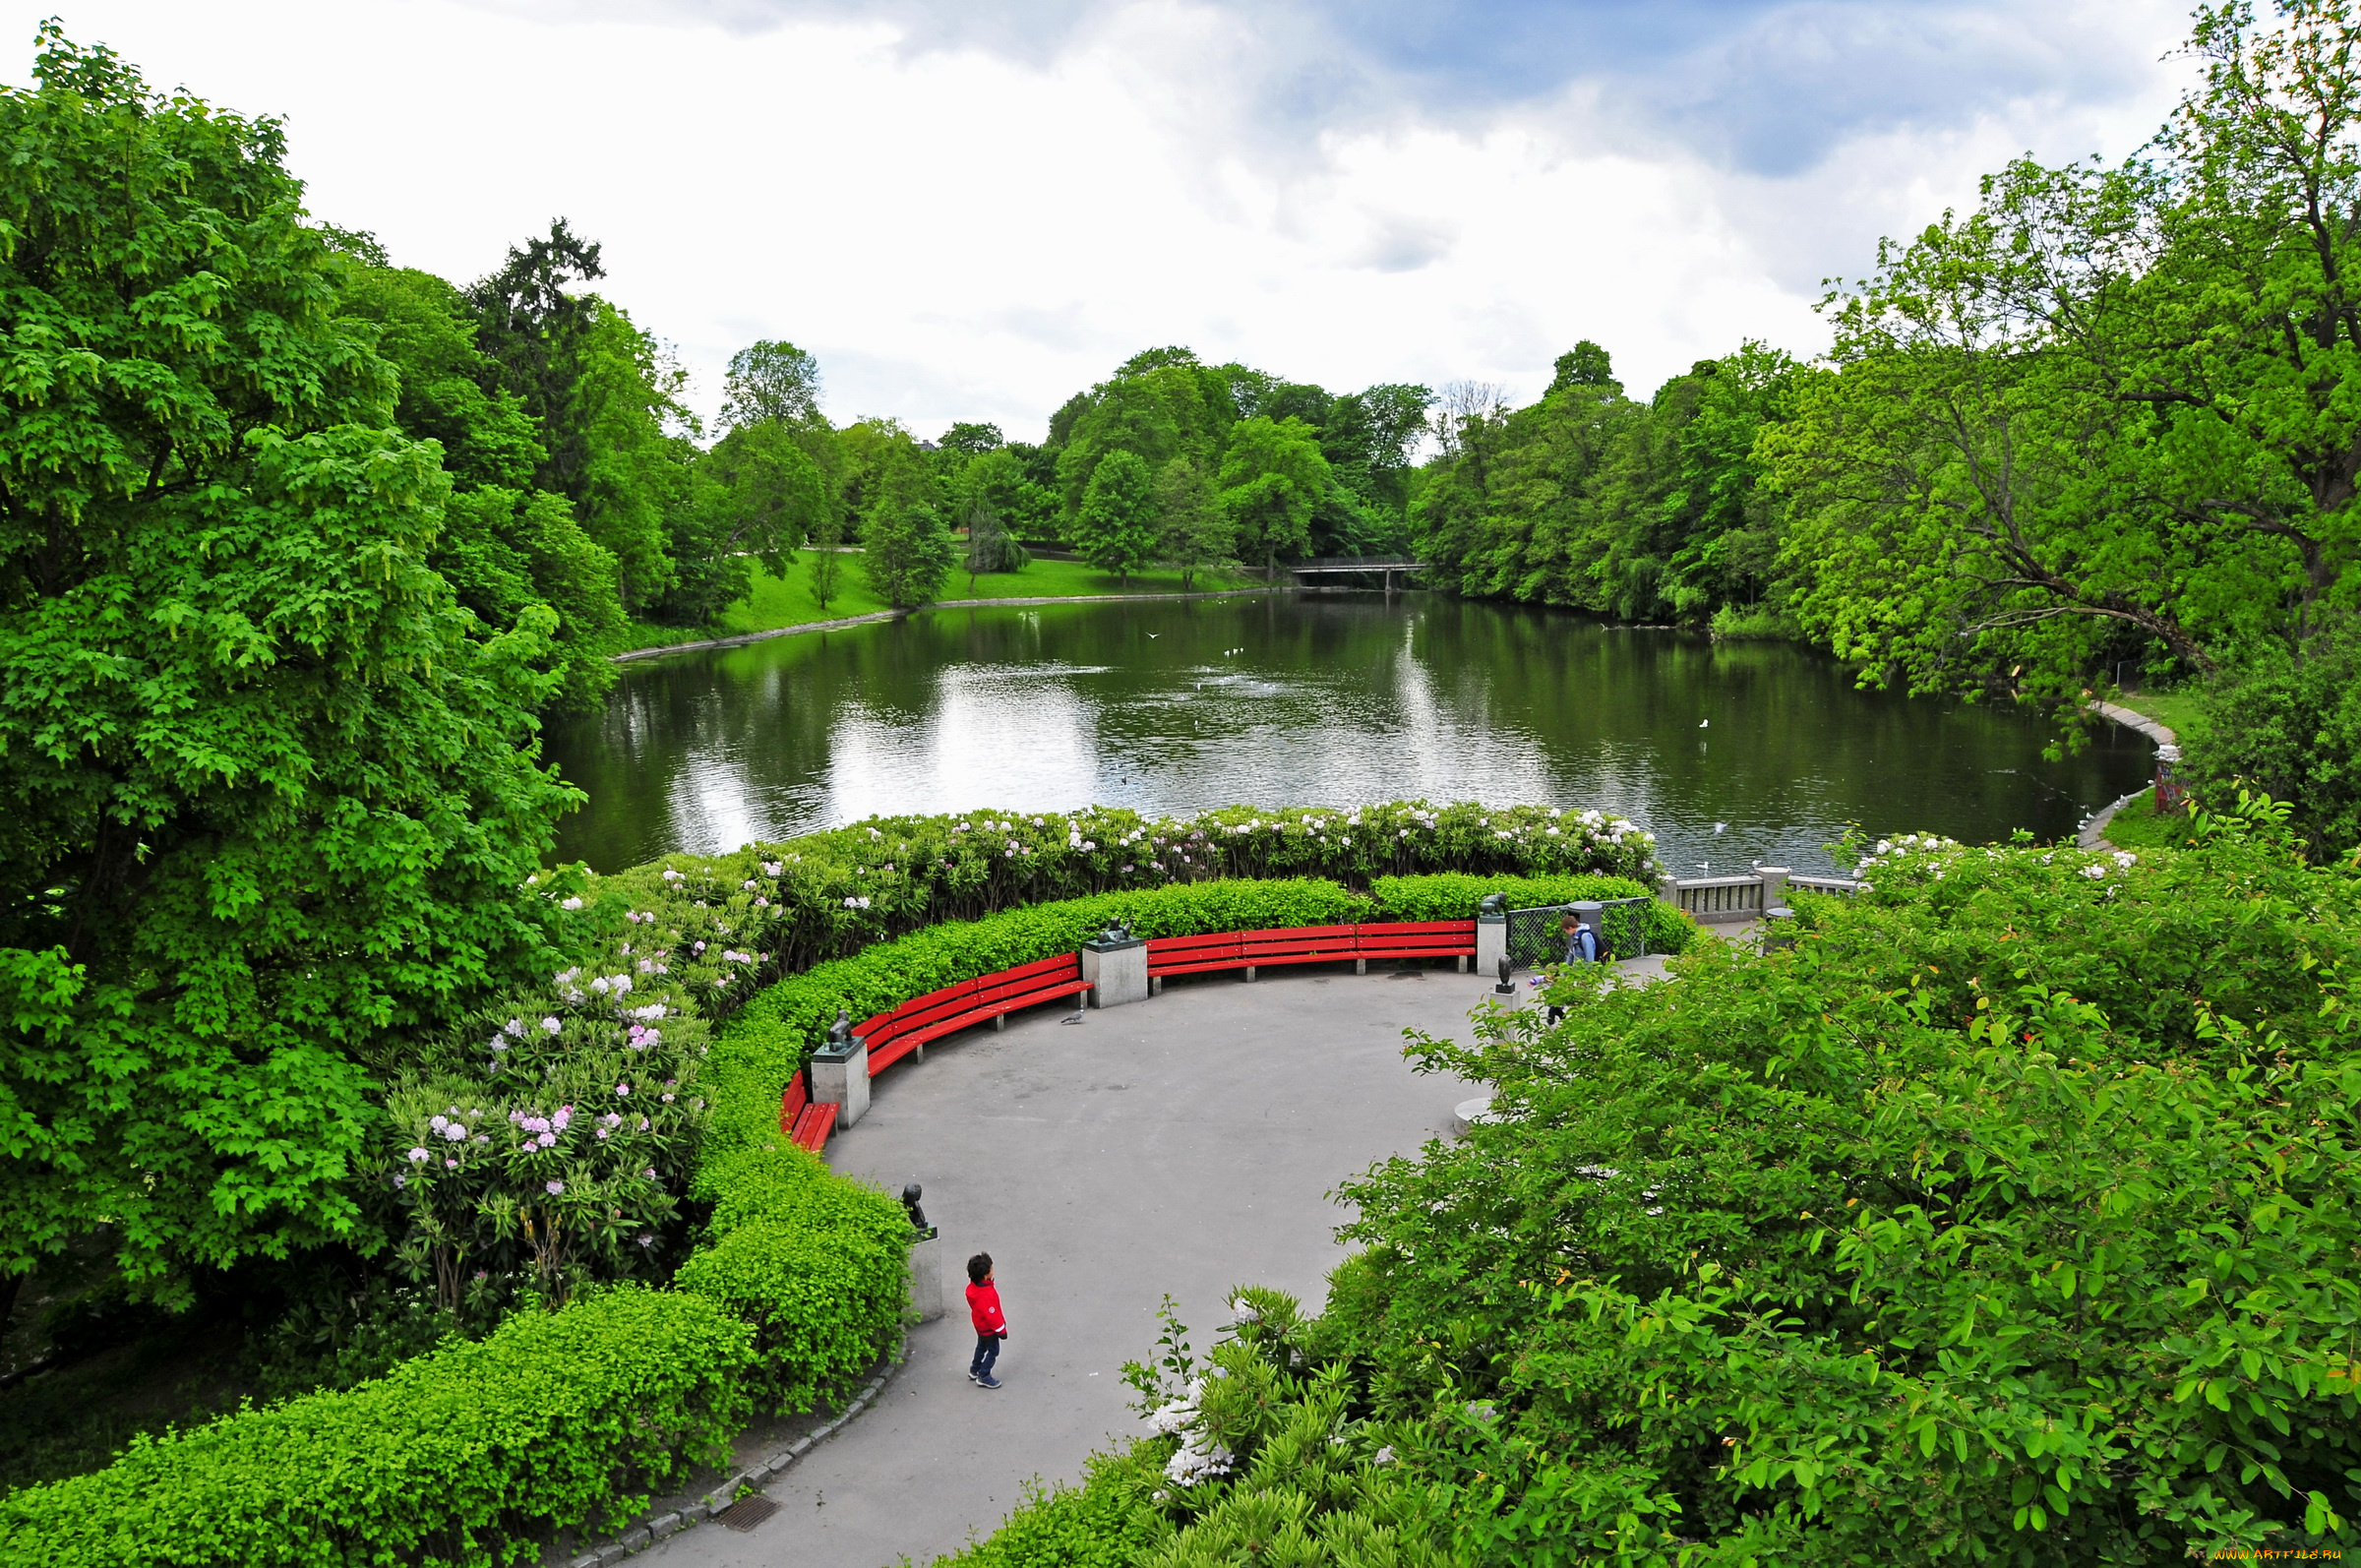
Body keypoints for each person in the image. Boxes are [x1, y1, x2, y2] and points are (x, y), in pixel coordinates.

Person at [966, 1252, 1007, 1389]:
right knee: (993, 1351)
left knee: (981, 1346)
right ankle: (984, 1375)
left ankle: (974, 1369)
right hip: (989, 1329)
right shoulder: (987, 1294)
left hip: (980, 1326)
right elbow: (993, 1315)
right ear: (985, 1275)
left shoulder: (973, 1288)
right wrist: (1002, 1330)